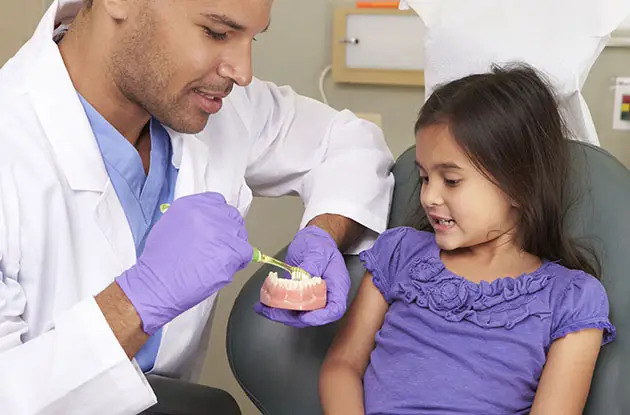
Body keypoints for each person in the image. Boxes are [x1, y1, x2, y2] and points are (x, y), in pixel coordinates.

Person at [0, 0, 395, 413]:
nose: (243, 72)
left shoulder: (217, 110)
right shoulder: (13, 139)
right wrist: (138, 300)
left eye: (252, 37)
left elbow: (349, 143)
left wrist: (323, 234)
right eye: (217, 33)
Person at [319, 65, 615, 415]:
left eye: (452, 180)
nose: (428, 196)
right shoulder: (399, 254)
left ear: (519, 185)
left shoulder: (570, 298)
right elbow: (342, 366)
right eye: (425, 177)